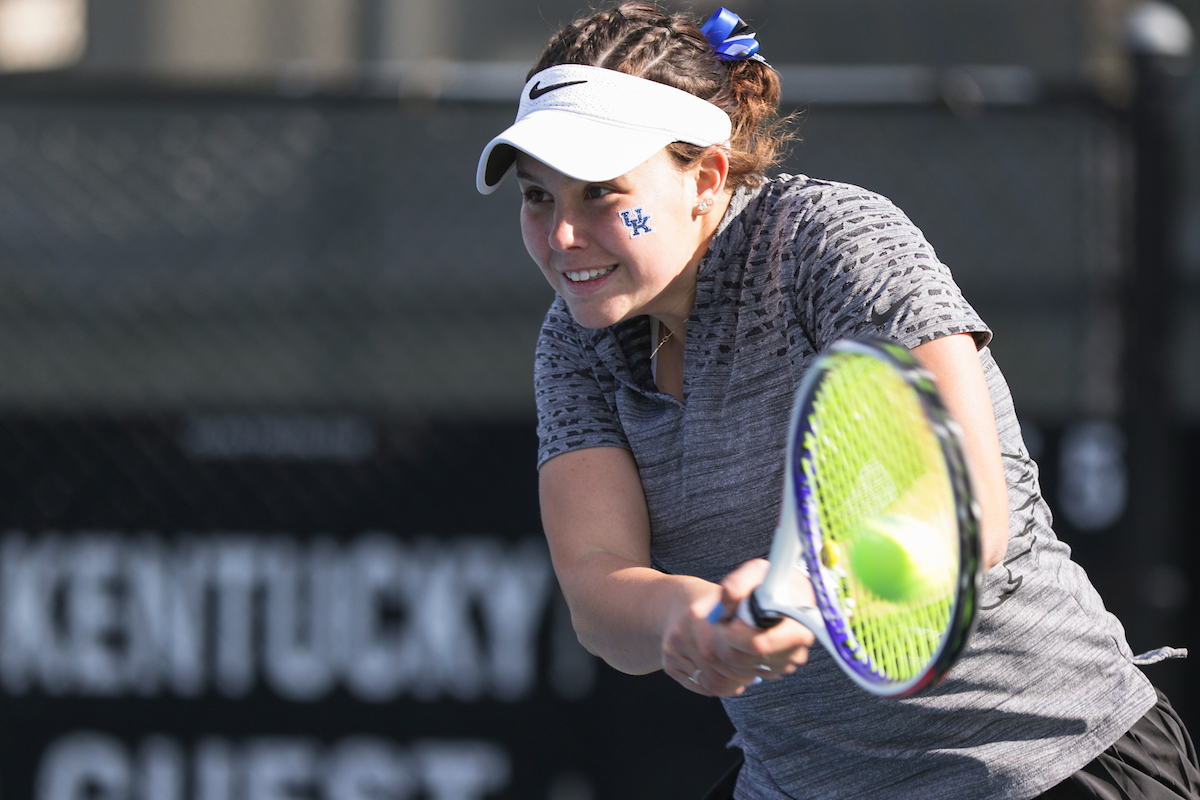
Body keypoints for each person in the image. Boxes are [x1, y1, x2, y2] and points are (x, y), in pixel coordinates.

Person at [475, 3, 1199, 798]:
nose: (562, 238)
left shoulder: (832, 240)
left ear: (706, 177)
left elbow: (970, 516)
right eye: (538, 198)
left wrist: (809, 592)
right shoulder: (576, 338)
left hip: (1045, 763)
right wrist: (685, 615)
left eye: (601, 195)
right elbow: (596, 579)